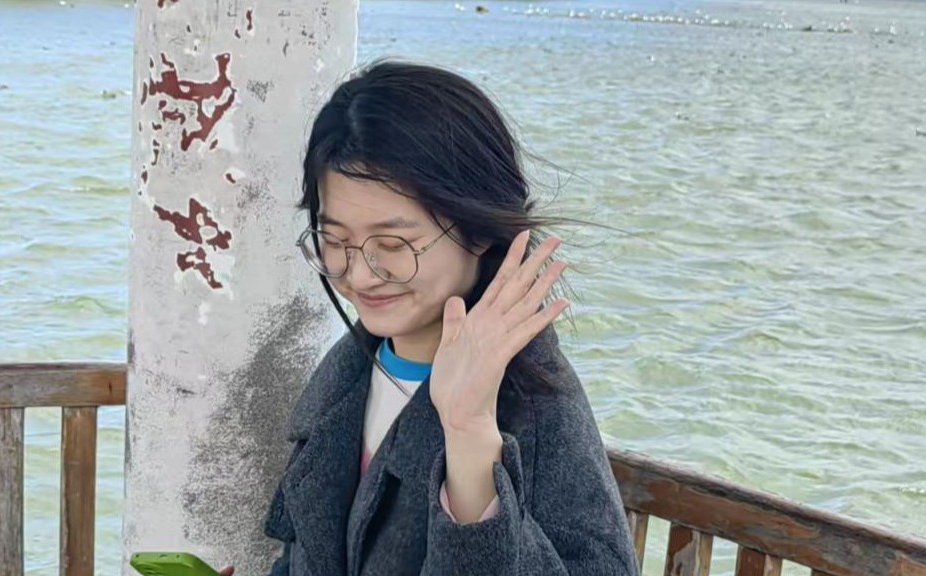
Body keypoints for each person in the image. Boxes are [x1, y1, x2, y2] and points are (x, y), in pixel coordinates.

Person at [245, 60, 639, 575]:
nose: (360, 275)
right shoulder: (347, 374)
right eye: (335, 240)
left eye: (394, 245)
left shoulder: (534, 399)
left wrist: (469, 433)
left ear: (479, 229)